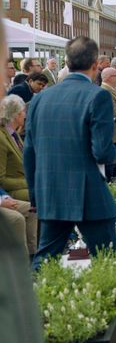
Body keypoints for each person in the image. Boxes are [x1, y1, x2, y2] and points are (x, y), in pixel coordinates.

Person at [26, 37, 116, 270]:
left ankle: (38, 304)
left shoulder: (40, 99)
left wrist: (36, 194)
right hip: (87, 190)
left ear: (66, 61)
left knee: (45, 259)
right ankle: (104, 304)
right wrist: (112, 157)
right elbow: (102, 151)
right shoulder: (98, 96)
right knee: (106, 259)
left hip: (51, 189)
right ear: (96, 64)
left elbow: (29, 151)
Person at [0, 95, 37, 255]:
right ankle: (33, 253)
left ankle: (39, 248)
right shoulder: (2, 138)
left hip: (21, 183)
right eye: (23, 112)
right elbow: (1, 179)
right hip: (11, 188)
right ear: (15, 115)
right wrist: (28, 183)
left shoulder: (14, 134)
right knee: (38, 199)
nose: (26, 116)